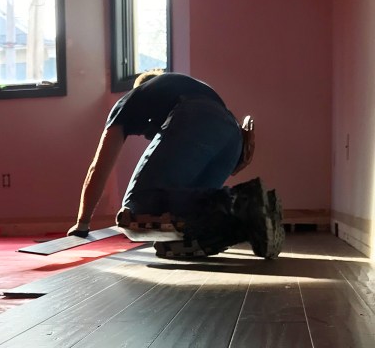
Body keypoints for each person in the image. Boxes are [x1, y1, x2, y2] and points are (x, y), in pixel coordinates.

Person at [67, 70, 284, 259]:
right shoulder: (179, 87)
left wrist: (82, 223)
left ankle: (244, 203)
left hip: (196, 117)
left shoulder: (129, 101)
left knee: (137, 209)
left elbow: (99, 167)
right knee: (178, 232)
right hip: (233, 137)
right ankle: (251, 218)